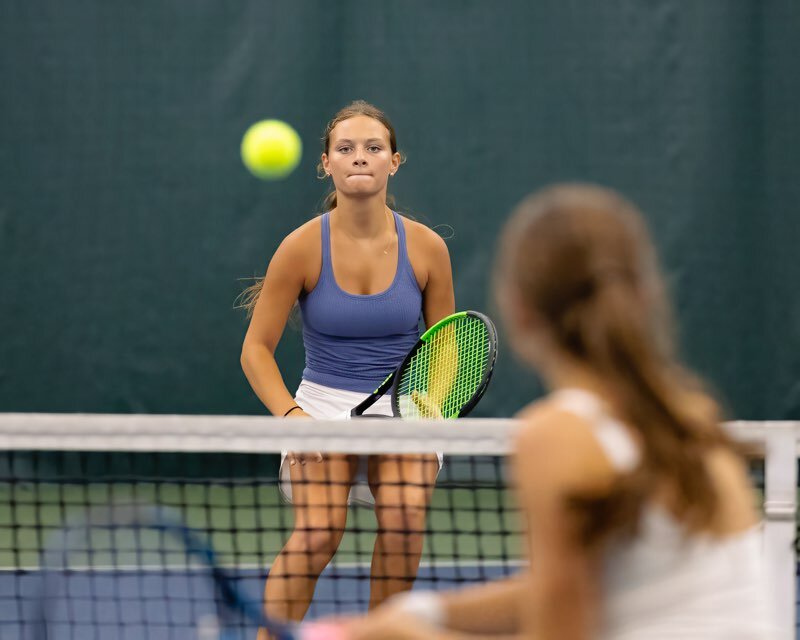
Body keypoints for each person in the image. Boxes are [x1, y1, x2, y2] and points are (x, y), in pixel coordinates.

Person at [343, 184, 776, 639]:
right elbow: (568, 588)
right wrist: (421, 612)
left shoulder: (557, 436)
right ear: (645, 294)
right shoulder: (690, 415)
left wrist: (412, 637)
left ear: (519, 310)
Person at [239, 100, 455, 634]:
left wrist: (431, 404)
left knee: (404, 525)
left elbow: (447, 347)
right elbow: (255, 350)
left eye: (373, 148)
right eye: (346, 149)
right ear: (327, 163)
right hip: (320, 406)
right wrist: (291, 416)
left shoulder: (427, 248)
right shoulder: (300, 247)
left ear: (394, 162)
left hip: (406, 406)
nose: (360, 158)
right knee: (318, 533)